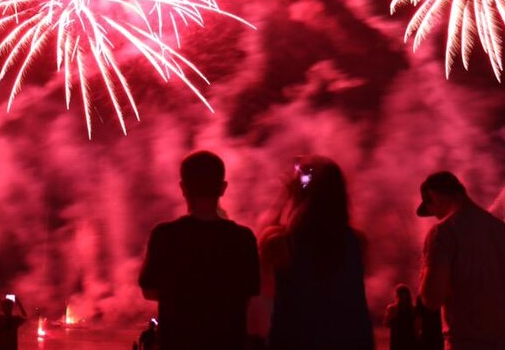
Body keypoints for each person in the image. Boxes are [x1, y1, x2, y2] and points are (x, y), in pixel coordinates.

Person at [139, 150, 260, 350]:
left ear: (183, 188)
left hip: (178, 341)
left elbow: (149, 290)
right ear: (223, 188)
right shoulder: (243, 238)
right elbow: (248, 294)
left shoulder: (165, 235)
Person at [260, 155, 374, 350]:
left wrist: (285, 197)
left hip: (297, 340)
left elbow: (264, 283)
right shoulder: (358, 242)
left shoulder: (282, 242)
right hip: (350, 340)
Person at [416, 171, 505, 350]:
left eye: (432, 208)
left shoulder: (443, 233)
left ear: (433, 196)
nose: (435, 216)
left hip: (466, 343)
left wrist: (425, 269)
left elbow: (431, 298)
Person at [385, 284, 417, 350]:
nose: (403, 298)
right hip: (400, 340)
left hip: (406, 340)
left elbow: (387, 323)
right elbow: (386, 323)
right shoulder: (393, 309)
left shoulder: (412, 309)